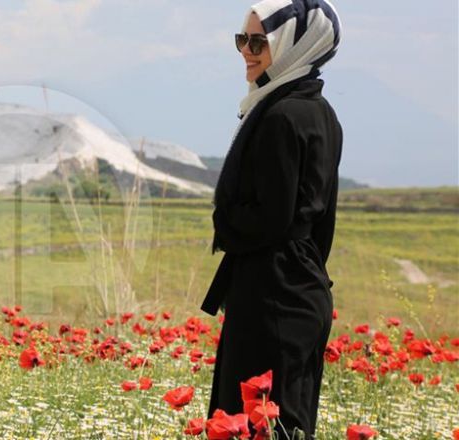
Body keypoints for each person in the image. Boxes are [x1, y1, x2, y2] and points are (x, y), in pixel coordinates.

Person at [200, 1, 343, 439]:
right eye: (242, 39)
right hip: (300, 288)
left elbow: (271, 218)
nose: (247, 50)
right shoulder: (320, 112)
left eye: (259, 41)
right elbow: (322, 220)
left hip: (271, 297)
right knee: (284, 425)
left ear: (291, 43)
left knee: (248, 424)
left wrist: (224, 220)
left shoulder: (280, 115)